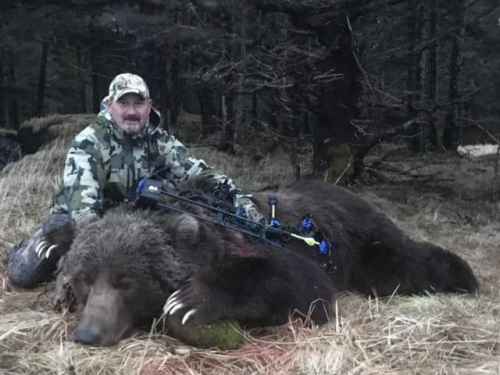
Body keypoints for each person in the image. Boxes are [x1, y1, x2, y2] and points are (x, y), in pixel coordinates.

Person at [7, 73, 264, 288]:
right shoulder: (90, 142)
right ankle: (22, 251)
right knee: (27, 276)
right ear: (110, 105)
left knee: (187, 229)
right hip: (85, 220)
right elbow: (83, 213)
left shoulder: (159, 140)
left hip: (134, 217)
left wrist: (236, 195)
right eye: (124, 103)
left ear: (149, 106)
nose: (132, 111)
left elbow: (198, 172)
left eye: (138, 103)